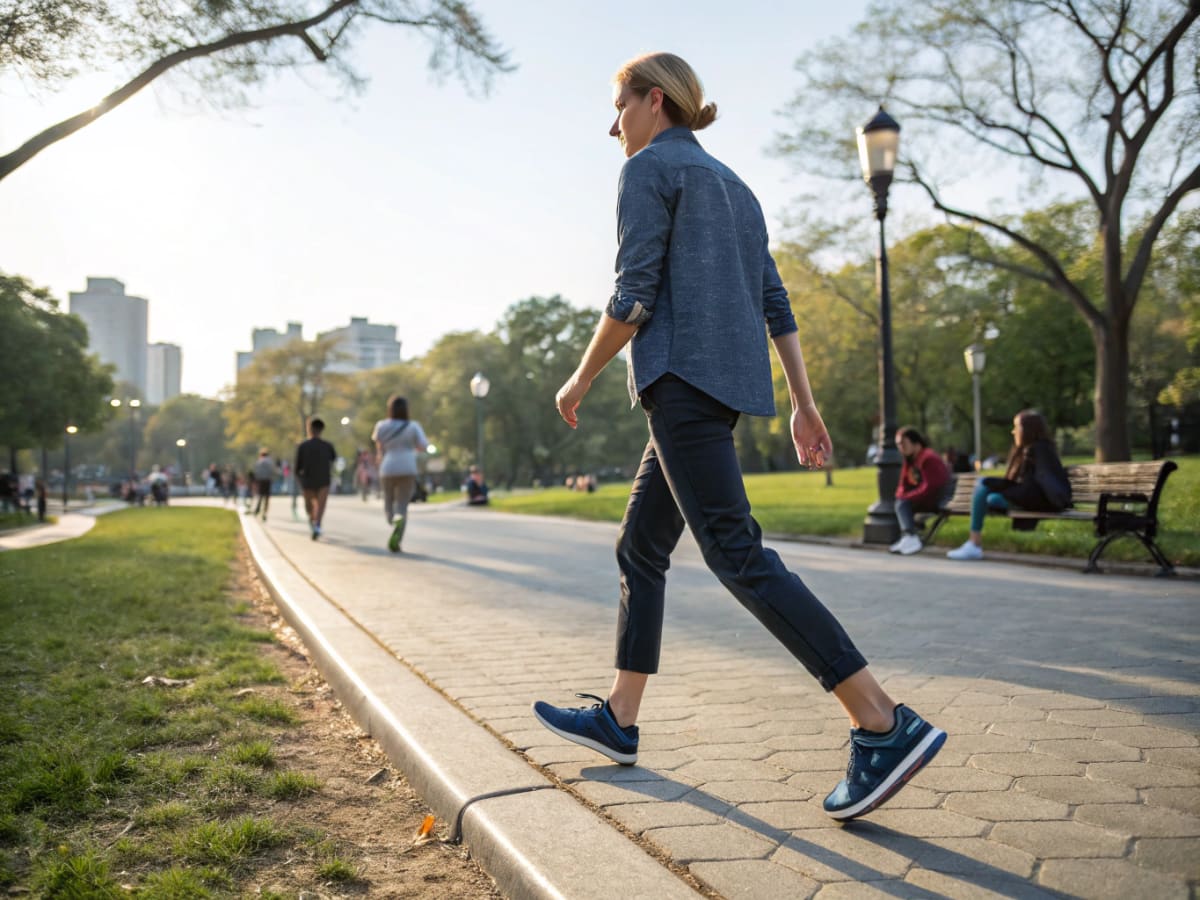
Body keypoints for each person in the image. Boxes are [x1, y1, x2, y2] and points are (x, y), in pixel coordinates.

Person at [530, 52, 945, 822]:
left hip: (680, 387)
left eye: (617, 105)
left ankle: (881, 721)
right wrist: (803, 401)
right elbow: (774, 299)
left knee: (737, 554)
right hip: (716, 395)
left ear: (654, 102)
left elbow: (634, 291)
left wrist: (581, 376)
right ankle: (620, 718)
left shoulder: (648, 169)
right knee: (641, 547)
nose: (611, 124)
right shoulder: (738, 187)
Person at [947, 409, 1071, 561]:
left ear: (1029, 429)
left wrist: (996, 484)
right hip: (1029, 497)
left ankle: (974, 542)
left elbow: (1038, 485)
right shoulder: (1025, 450)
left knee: (983, 485)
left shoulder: (1040, 450)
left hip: (1042, 500)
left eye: (1017, 427)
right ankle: (973, 543)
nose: (1013, 432)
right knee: (992, 498)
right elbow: (1022, 484)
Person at [371, 395, 429, 553]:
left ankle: (392, 519)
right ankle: (397, 538)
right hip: (408, 466)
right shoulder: (413, 426)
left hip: (388, 467)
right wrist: (412, 447)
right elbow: (423, 445)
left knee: (388, 501)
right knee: (402, 505)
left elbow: (379, 449)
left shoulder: (381, 426)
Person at [889, 427, 953, 556]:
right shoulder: (910, 460)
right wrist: (902, 495)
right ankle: (909, 537)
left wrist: (907, 497)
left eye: (903, 443)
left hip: (939, 499)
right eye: (898, 445)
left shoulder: (928, 458)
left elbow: (931, 487)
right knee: (901, 502)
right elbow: (903, 484)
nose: (901, 448)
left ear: (916, 444)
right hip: (927, 499)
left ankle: (911, 537)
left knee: (902, 503)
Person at [295, 417, 337, 540]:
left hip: (308, 481)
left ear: (309, 429)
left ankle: (315, 524)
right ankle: (316, 524)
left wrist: (300, 482)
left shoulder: (303, 446)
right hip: (322, 479)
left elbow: (297, 468)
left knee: (310, 507)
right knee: (319, 506)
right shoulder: (327, 446)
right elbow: (334, 460)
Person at [252, 448, 275, 520]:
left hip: (261, 481)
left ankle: (257, 509)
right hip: (268, 481)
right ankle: (264, 512)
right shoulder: (270, 462)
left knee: (260, 495)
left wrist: (256, 480)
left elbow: (256, 472)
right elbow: (272, 471)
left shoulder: (259, 462)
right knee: (267, 498)